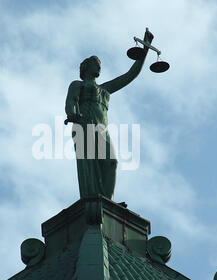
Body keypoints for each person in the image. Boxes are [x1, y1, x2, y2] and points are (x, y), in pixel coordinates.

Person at [65, 28, 154, 200]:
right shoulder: (78, 85)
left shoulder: (105, 89)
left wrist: (145, 49)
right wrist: (72, 114)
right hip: (84, 125)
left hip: (101, 130)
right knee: (89, 166)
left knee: (111, 163)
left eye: (99, 64)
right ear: (85, 68)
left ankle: (108, 201)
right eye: (95, 63)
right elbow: (70, 101)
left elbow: (130, 75)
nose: (99, 66)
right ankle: (92, 201)